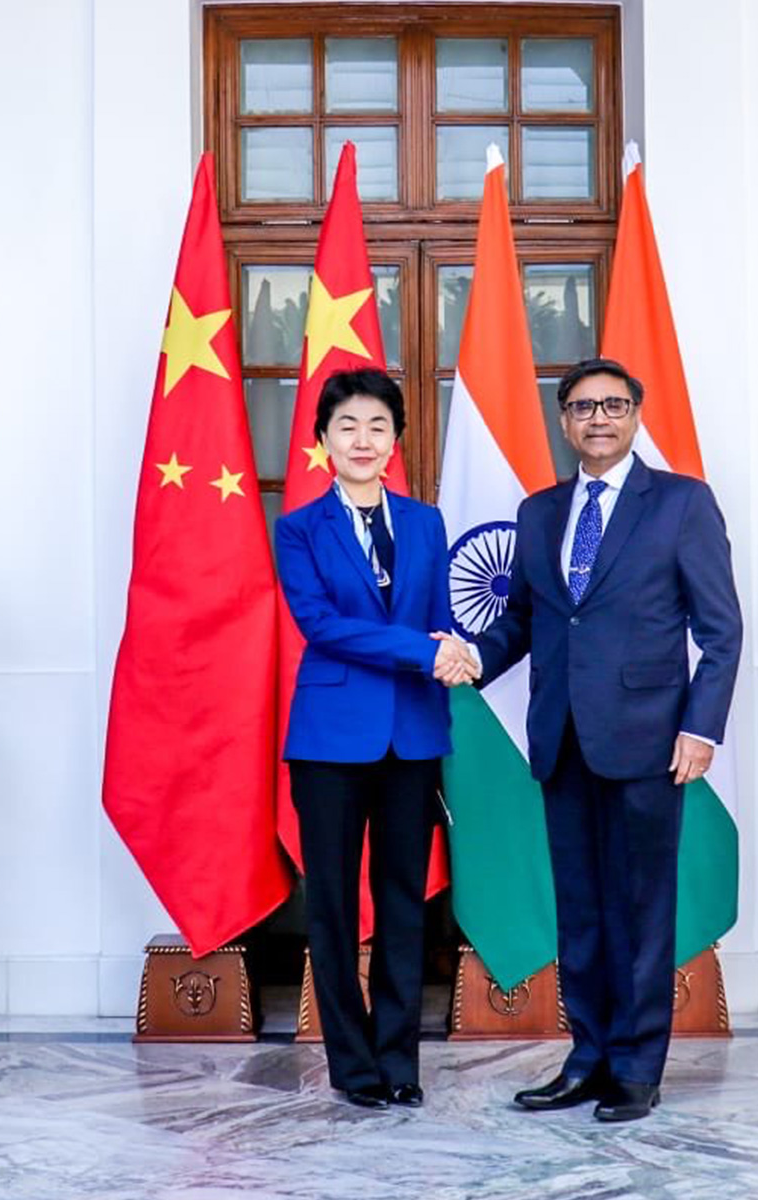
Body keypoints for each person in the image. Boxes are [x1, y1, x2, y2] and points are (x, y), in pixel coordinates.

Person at [447, 356, 743, 1122]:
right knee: (578, 910)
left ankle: (638, 1069)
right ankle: (588, 1058)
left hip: (652, 742)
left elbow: (720, 627)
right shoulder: (540, 512)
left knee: (642, 908)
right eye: (582, 407)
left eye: (613, 405)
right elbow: (528, 618)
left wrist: (701, 726)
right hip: (562, 741)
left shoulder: (681, 503)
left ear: (637, 415)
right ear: (564, 421)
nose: (598, 418)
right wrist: (477, 656)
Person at [274, 367, 476, 1111]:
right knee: (332, 905)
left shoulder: (425, 522)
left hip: (414, 733)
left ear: (396, 440)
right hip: (329, 740)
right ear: (323, 439)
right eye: (348, 426)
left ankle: (401, 1064)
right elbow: (322, 626)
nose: (363, 440)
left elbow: (439, 616)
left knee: (403, 902)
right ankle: (353, 1069)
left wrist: (452, 648)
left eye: (378, 427)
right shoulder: (298, 528)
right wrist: (426, 651)